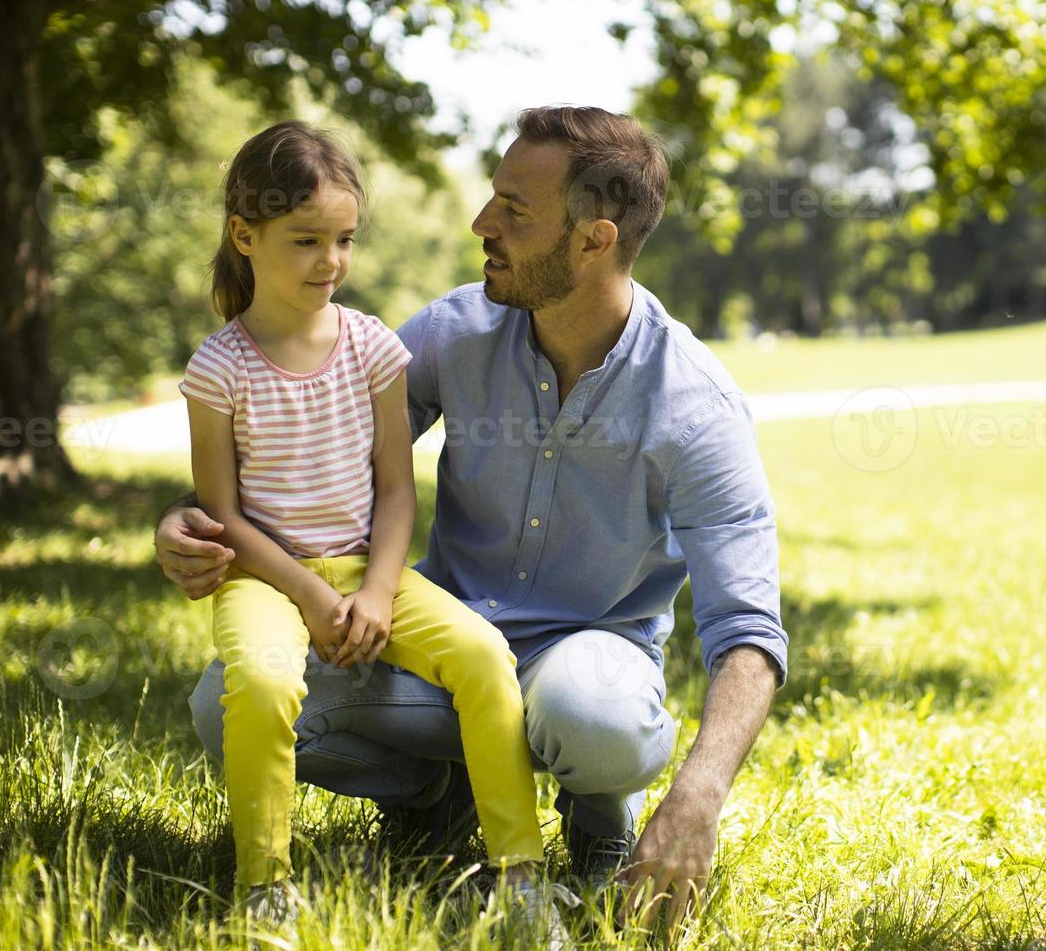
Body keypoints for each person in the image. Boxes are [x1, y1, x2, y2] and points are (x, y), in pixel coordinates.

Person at [157, 106, 788, 939]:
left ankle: (599, 804)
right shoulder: (454, 331)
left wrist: (697, 798)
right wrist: (190, 523)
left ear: (594, 240)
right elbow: (306, 444)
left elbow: (748, 628)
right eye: (493, 198)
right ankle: (437, 795)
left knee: (588, 717)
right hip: (442, 653)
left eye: (513, 212)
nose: (481, 223)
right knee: (228, 700)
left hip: (586, 660)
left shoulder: (693, 404)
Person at [178, 120, 564, 939]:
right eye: (306, 239)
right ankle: (265, 885)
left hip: (367, 566)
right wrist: (311, 595)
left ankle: (520, 872)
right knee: (267, 680)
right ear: (245, 236)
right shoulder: (220, 367)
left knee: (482, 656)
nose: (331, 261)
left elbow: (396, 490)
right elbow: (224, 517)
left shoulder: (374, 348)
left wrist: (379, 589)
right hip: (265, 580)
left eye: (344, 239)